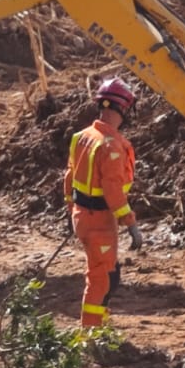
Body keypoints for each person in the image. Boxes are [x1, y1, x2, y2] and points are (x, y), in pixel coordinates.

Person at [64, 78, 143, 330]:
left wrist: (71, 212)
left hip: (83, 216)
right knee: (101, 279)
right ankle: (91, 334)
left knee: (108, 273)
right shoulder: (111, 146)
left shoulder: (82, 137)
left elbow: (69, 177)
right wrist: (131, 223)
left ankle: (99, 325)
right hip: (99, 221)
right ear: (123, 109)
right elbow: (113, 191)